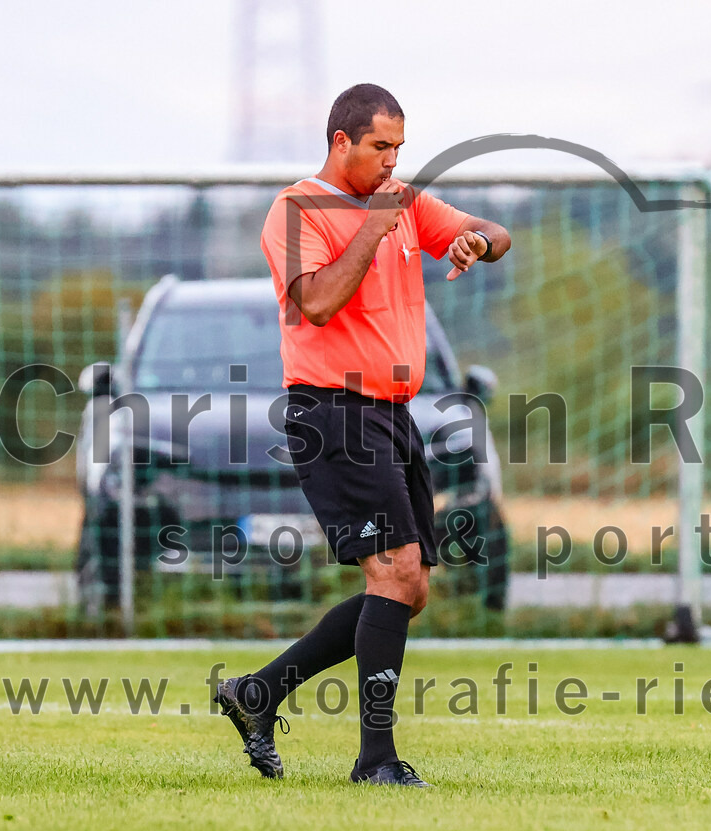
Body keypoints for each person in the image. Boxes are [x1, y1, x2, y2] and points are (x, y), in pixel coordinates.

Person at [213, 83, 510, 788]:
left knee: (411, 589)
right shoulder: (295, 209)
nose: (392, 161)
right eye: (381, 147)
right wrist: (374, 227)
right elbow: (313, 302)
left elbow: (497, 232)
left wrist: (476, 241)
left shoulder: (405, 201)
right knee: (392, 574)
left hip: (393, 413)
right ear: (341, 141)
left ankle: (258, 693)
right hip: (332, 410)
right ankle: (376, 760)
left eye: (400, 149)